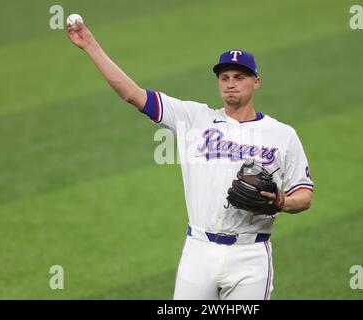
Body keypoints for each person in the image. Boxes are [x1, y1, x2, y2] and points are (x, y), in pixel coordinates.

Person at [66, 19, 314, 300]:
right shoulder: (193, 118)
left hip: (251, 255)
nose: (231, 84)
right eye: (225, 78)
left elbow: (304, 196)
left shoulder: (283, 134)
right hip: (199, 251)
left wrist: (281, 202)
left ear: (256, 82)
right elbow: (132, 94)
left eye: (239, 77)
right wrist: (90, 46)